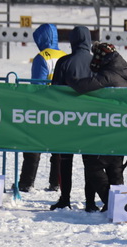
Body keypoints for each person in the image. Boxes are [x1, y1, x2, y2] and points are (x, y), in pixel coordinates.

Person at [69, 42, 127, 212]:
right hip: (118, 129)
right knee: (115, 169)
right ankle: (112, 202)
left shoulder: (109, 75)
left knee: (93, 166)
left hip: (103, 131)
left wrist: (69, 78)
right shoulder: (124, 73)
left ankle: (113, 204)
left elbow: (83, 86)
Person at [48, 26, 93, 211]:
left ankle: (65, 197)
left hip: (67, 119)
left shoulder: (64, 62)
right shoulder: (96, 63)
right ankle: (90, 202)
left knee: (66, 161)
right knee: (89, 162)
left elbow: (54, 90)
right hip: (91, 120)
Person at [19, 24, 66, 193]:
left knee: (32, 146)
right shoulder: (65, 56)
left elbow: (37, 86)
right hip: (62, 108)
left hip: (42, 107)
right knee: (59, 149)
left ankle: (26, 182)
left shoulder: (42, 57)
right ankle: (57, 183)